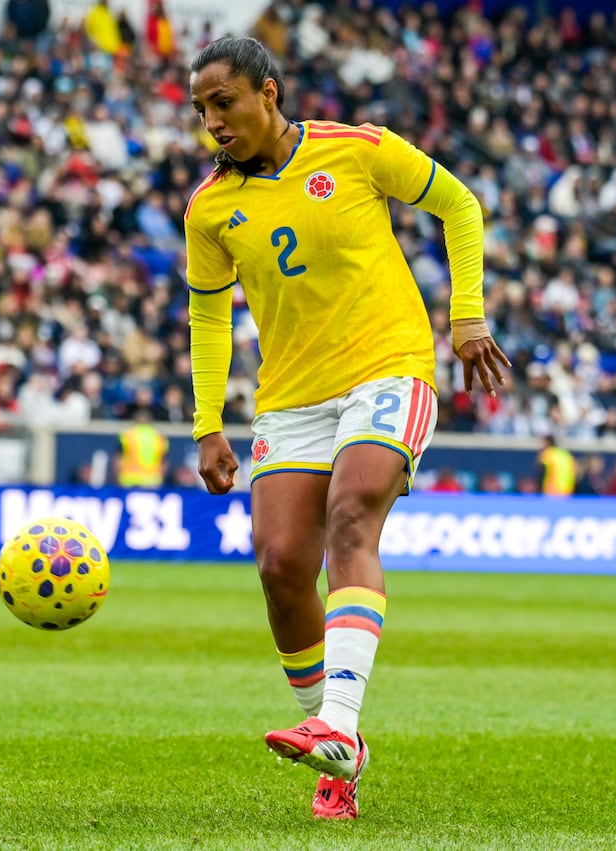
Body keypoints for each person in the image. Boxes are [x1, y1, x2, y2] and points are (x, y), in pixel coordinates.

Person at [184, 38, 510, 820]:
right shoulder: (209, 207)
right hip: (291, 399)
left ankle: (338, 723)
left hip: (389, 370)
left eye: (223, 102)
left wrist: (467, 319)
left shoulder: (357, 150)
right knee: (279, 565)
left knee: (351, 514)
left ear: (269, 92)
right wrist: (207, 424)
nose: (211, 122)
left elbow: (460, 204)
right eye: (200, 110)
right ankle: (336, 747)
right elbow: (206, 312)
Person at [115, 407, 169, 488]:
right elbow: (164, 462)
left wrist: (118, 476)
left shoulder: (127, 435)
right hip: (152, 480)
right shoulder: (159, 437)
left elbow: (118, 459)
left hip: (129, 479)